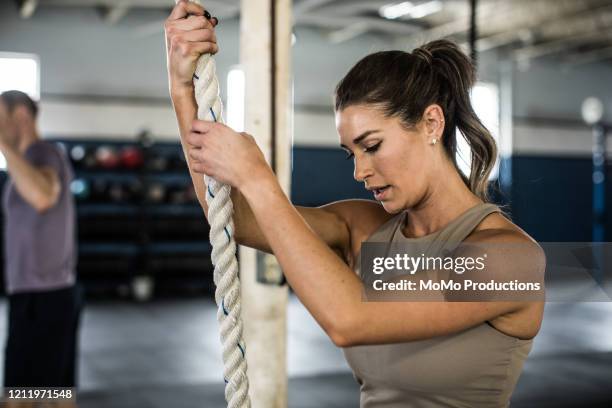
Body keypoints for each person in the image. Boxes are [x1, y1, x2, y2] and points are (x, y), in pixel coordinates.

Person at [165, 2, 545, 406]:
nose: (360, 171)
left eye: (373, 146)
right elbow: (235, 219)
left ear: (431, 123)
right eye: (352, 154)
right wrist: (182, 89)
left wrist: (258, 178)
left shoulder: (512, 260)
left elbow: (351, 320)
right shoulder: (363, 227)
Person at [0, 90, 81, 404]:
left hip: (45, 297)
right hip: (36, 295)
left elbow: (44, 196)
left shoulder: (44, 154)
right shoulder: (26, 161)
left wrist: (4, 145)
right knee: (54, 395)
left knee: (23, 398)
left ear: (20, 115)